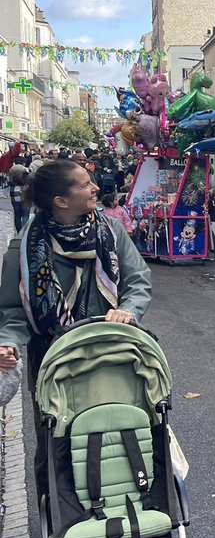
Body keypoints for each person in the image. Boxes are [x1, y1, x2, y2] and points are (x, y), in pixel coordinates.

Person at [0, 160, 152, 508]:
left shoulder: (110, 232)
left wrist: (128, 309)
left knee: (120, 429)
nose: (95, 187)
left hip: (111, 351)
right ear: (61, 201)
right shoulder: (24, 248)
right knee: (57, 441)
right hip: (53, 360)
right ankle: (58, 531)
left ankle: (129, 515)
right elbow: (11, 309)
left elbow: (138, 281)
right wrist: (8, 343)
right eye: (84, 184)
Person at [8, 160, 29, 231]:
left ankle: (18, 231)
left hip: (14, 193)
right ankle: (23, 231)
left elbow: (9, 182)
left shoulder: (11, 171)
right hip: (24, 193)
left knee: (17, 215)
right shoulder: (25, 170)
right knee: (25, 214)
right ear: (23, 162)